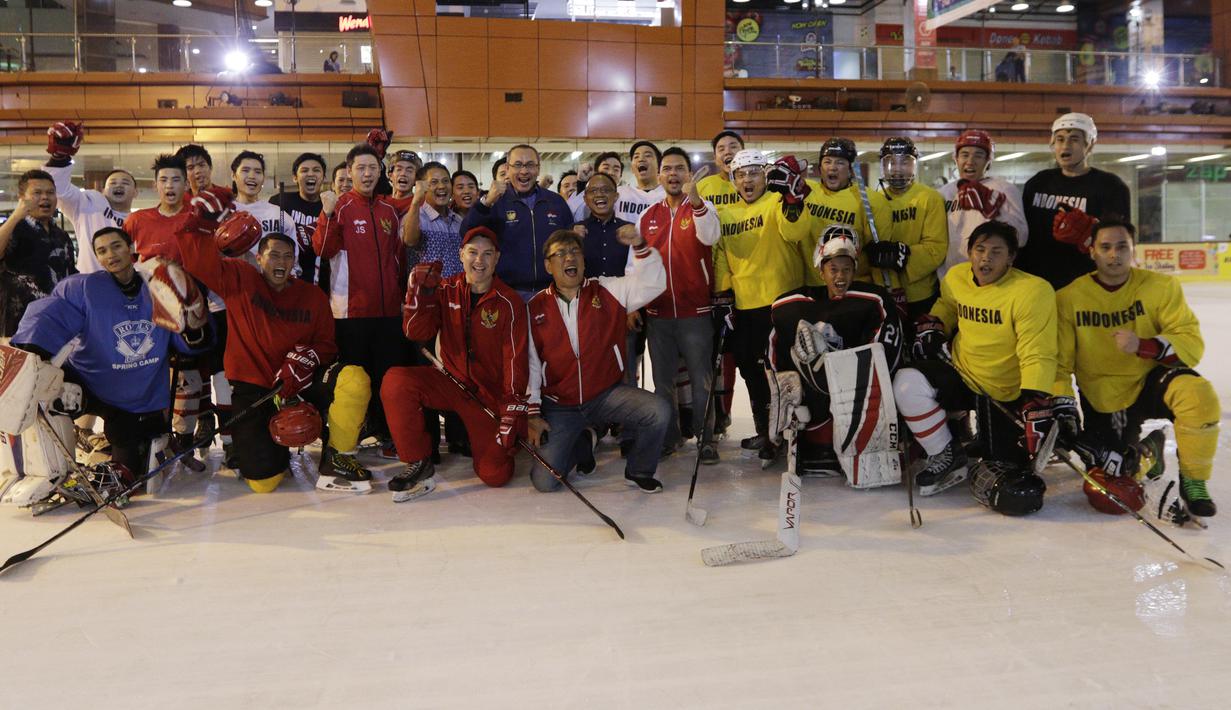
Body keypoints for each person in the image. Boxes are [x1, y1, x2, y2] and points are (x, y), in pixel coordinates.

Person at [177, 189, 372, 494]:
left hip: (300, 384)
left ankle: (337, 458)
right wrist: (200, 221)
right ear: (259, 258)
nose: (281, 262)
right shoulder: (240, 278)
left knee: (354, 379)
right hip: (255, 388)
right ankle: (272, 450)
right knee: (263, 481)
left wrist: (306, 359)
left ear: (294, 261)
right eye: (273, 255)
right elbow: (198, 261)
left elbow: (327, 346)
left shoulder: (312, 295)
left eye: (287, 256)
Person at [5, 226, 211, 505]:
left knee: (132, 470)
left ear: (130, 248)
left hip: (139, 399)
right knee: (49, 390)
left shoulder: (158, 289)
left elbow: (190, 344)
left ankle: (109, 452)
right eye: (102, 250)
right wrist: (28, 352)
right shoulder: (82, 287)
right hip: (88, 383)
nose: (110, 254)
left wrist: (195, 327)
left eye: (116, 246)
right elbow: (49, 317)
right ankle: (49, 473)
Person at [1055, 219, 1219, 518]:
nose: (1114, 254)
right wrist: (1060, 405)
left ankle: (1194, 481)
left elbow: (1192, 343)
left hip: (1152, 378)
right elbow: (1059, 363)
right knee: (1109, 485)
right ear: (1092, 251)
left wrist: (1145, 346)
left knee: (1198, 396)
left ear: (1133, 250)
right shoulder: (1068, 298)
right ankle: (1148, 455)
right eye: (1105, 247)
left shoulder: (1161, 286)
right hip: (1106, 395)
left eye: (1122, 247)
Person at [893, 220, 1058, 507]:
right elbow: (947, 305)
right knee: (906, 383)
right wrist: (935, 324)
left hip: (1005, 391)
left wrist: (1035, 397)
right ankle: (944, 452)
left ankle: (1001, 440)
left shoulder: (1032, 291)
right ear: (969, 252)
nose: (986, 258)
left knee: (1005, 470)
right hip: (962, 372)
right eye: (980, 249)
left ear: (1011, 257)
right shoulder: (957, 277)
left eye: (997, 251)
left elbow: (1037, 350)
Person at [381, 226, 527, 501]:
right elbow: (416, 332)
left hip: (487, 394)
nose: (479, 261)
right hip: (450, 381)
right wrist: (419, 294)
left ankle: (507, 444)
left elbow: (515, 359)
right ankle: (418, 461)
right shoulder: (445, 289)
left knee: (496, 475)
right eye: (472, 252)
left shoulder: (510, 302)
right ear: (461, 255)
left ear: (497, 258)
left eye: (487, 254)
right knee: (396, 381)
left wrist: (512, 409)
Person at [526, 228, 670, 493]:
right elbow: (532, 365)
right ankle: (584, 443)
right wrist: (533, 413)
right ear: (548, 265)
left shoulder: (608, 290)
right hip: (561, 406)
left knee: (657, 411)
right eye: (561, 254)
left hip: (605, 394)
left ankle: (639, 469)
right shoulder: (534, 309)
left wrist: (639, 245)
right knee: (544, 482)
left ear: (583, 260)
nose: (569, 258)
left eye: (575, 252)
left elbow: (654, 282)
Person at [769, 227, 904, 476]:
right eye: (833, 269)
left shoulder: (873, 300)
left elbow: (886, 352)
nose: (840, 276)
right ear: (821, 271)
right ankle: (811, 440)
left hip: (857, 392)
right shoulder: (793, 305)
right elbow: (774, 337)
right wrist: (780, 381)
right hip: (822, 395)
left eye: (846, 269)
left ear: (855, 270)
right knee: (804, 344)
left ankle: (856, 441)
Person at [713, 149, 807, 464]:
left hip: (780, 303)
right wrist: (723, 296)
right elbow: (722, 257)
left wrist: (793, 201)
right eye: (741, 174)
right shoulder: (726, 215)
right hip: (745, 305)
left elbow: (796, 231)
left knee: (783, 373)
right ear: (733, 180)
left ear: (764, 176)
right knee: (751, 372)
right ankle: (766, 433)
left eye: (753, 172)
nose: (747, 179)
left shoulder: (777, 203)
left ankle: (792, 435)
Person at [313, 143, 407, 453]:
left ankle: (385, 431)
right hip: (350, 313)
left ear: (381, 172)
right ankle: (348, 437)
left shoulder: (388, 211)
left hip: (389, 313)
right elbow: (323, 249)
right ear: (350, 171)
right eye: (361, 168)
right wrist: (326, 214)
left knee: (388, 378)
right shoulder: (339, 207)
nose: (367, 174)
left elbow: (398, 258)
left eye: (373, 168)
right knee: (355, 379)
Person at [638, 147, 720, 462]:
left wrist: (696, 200)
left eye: (679, 168)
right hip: (658, 314)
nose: (673, 174)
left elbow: (711, 237)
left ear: (688, 174)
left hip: (694, 312)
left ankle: (706, 438)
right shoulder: (649, 216)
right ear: (659, 176)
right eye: (667, 169)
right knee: (663, 383)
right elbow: (639, 263)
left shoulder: (703, 208)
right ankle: (669, 437)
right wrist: (637, 303)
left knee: (701, 380)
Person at [1019, 113, 1132, 291]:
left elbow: (1121, 242)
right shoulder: (1037, 183)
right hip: (1038, 285)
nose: (1065, 145)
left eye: (1074, 139)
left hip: (1086, 287)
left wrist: (1090, 234)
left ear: (1090, 145)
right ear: (1052, 144)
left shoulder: (1111, 187)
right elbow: (1023, 233)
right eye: (1060, 139)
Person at [461, 144, 573, 300]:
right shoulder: (496, 201)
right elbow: (466, 232)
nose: (524, 171)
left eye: (530, 165)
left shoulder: (555, 201)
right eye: (518, 165)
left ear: (538, 169)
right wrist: (486, 203)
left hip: (551, 292)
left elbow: (570, 242)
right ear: (508, 168)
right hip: (508, 292)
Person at [866, 137, 948, 323]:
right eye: (891, 162)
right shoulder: (874, 200)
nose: (897, 169)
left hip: (920, 294)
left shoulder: (930, 198)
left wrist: (901, 254)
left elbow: (936, 247)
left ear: (914, 165)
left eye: (905, 162)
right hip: (883, 291)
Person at [774, 137, 873, 287]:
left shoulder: (869, 200)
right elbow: (791, 233)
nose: (832, 167)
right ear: (820, 168)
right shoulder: (806, 191)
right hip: (813, 287)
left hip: (853, 286)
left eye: (840, 162)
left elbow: (876, 251)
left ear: (851, 169)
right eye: (827, 161)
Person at [41, 121, 136, 273]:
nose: (118, 186)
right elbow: (58, 190)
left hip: (129, 289)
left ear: (135, 192)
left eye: (125, 183)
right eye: (112, 183)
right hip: (87, 286)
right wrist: (60, 157)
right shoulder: (89, 203)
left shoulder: (141, 221)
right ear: (104, 191)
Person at [937, 130, 1028, 279]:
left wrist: (995, 213)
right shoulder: (944, 193)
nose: (970, 161)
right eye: (965, 154)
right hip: (950, 279)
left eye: (978, 155)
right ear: (956, 159)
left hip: (990, 277)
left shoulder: (1004, 189)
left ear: (988, 161)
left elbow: (1022, 237)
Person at [0, 170, 77, 336]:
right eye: (37, 193)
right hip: (18, 325)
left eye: (50, 192)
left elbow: (70, 275)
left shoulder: (61, 236)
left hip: (57, 321)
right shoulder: (13, 229)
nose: (45, 197)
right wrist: (15, 217)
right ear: (22, 198)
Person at [229, 151, 299, 265]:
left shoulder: (278, 215)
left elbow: (293, 258)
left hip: (270, 282)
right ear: (233, 175)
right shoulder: (224, 213)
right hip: (232, 280)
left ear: (263, 178)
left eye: (258, 172)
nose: (252, 176)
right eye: (245, 170)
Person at [270, 152, 327, 285]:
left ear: (324, 177)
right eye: (304, 170)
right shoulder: (280, 201)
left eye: (316, 170)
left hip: (319, 280)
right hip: (285, 279)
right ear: (295, 177)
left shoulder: (330, 207)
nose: (311, 174)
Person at [124, 154, 193, 263]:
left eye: (175, 180)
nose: (169, 185)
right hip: (148, 279)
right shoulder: (136, 220)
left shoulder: (197, 220)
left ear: (186, 185)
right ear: (155, 185)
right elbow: (125, 260)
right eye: (163, 180)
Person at [401, 161, 462, 275]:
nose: (442, 186)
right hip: (428, 292)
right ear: (422, 187)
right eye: (434, 182)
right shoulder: (415, 217)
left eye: (445, 181)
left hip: (457, 291)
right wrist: (415, 202)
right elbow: (409, 241)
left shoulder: (458, 220)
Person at [697, 130, 745, 217]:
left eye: (733, 147)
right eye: (721, 149)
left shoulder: (757, 185)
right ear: (715, 158)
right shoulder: (701, 187)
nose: (727, 152)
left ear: (744, 153)